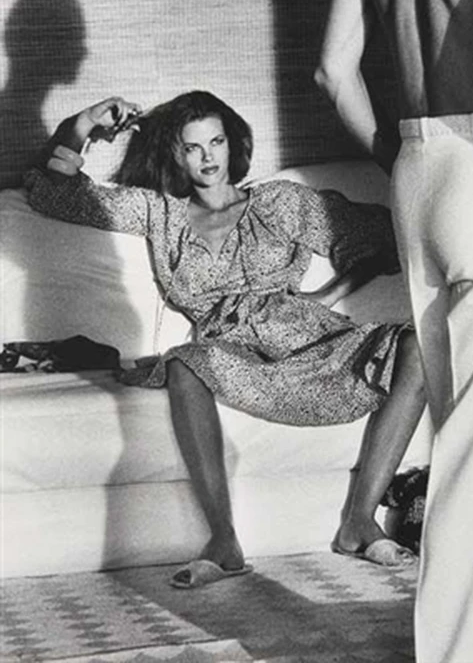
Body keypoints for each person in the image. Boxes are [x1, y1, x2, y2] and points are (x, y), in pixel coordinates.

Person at [25, 90, 425, 586]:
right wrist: (85, 121)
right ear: (176, 155)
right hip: (230, 348)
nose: (207, 157)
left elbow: (388, 233)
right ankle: (223, 540)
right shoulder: (161, 214)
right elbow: (54, 190)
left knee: (416, 348)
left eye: (215, 142)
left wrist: (327, 294)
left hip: (310, 338)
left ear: (232, 144)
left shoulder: (280, 202)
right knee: (183, 364)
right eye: (192, 147)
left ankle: (359, 521)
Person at [315, 0, 473, 662]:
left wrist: (408, 160)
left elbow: (332, 72)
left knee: (470, 425)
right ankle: (464, 649)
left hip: (417, 169)